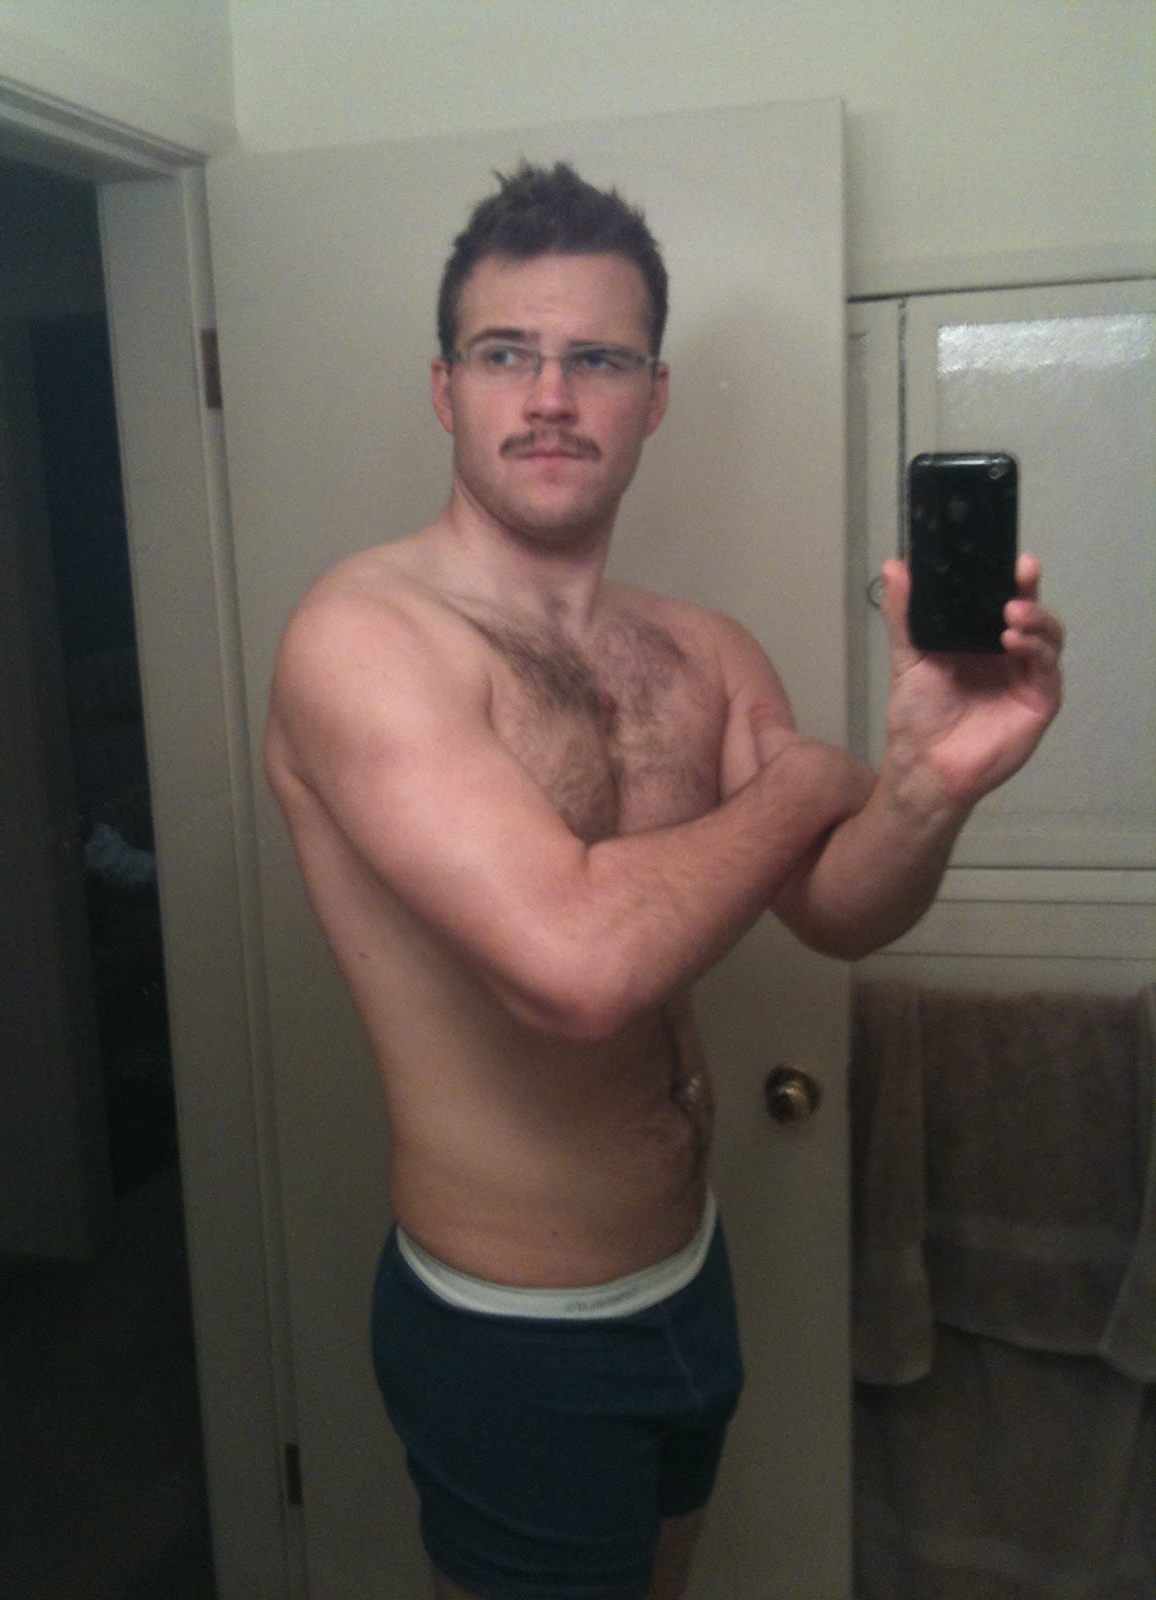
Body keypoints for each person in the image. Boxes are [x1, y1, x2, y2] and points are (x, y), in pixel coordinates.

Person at [264, 162, 1063, 1600]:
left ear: (654, 395)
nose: (550, 395)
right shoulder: (366, 637)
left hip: (689, 1275)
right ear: (445, 389)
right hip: (511, 1329)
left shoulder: (701, 650)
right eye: (505, 353)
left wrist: (925, 786)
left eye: (598, 358)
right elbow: (575, 969)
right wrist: (810, 783)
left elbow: (840, 910)